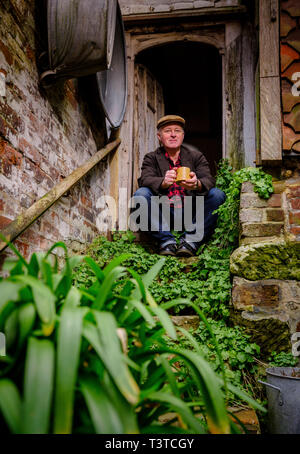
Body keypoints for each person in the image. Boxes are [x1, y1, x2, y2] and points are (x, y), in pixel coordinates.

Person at [133, 115, 226, 257]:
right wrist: (163, 182)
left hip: (192, 211)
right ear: (159, 136)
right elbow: (145, 179)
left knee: (217, 194)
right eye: (167, 131)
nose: (173, 134)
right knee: (141, 194)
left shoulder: (196, 156)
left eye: (177, 131)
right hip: (165, 212)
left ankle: (190, 241)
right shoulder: (151, 158)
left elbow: (209, 180)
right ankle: (167, 241)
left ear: (182, 135)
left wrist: (197, 184)